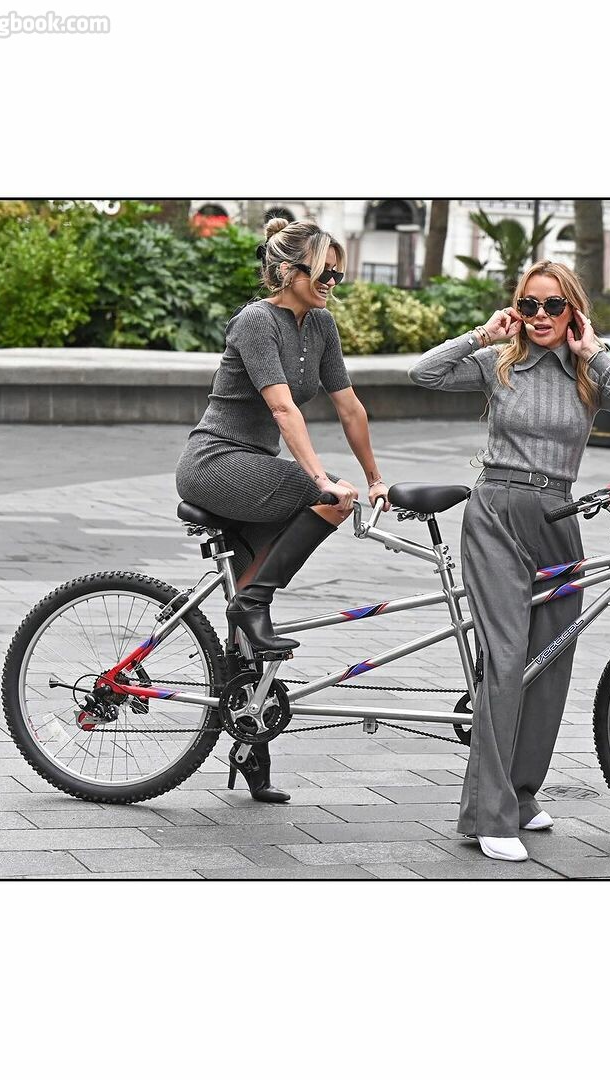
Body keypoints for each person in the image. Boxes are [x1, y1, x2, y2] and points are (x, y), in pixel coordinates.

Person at [409, 262, 610, 861]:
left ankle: (519, 795)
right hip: (496, 512)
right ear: (516, 309)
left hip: (558, 518)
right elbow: (423, 372)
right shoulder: (500, 363)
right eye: (529, 305)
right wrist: (482, 333)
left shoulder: (588, 373)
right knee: (506, 658)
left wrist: (594, 354)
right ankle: (488, 815)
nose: (540, 316)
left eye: (552, 306)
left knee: (550, 661)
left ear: (573, 312)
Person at [175, 218, 389, 802]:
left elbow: (349, 407)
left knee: (252, 608)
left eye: (338, 275)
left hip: (256, 473)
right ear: (289, 271)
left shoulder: (320, 324)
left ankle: (249, 743)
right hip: (217, 462)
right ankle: (251, 603)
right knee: (322, 501)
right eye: (324, 273)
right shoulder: (255, 321)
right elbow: (283, 411)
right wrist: (320, 479)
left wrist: (375, 479)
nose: (333, 283)